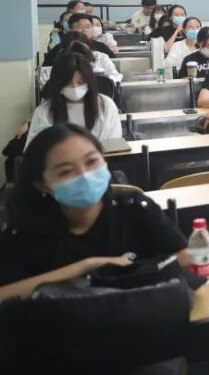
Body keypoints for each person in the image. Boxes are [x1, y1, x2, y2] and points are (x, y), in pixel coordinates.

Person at [0, 124, 188, 301]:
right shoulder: (24, 231)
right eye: (65, 172)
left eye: (91, 161)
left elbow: (185, 258)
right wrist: (87, 267)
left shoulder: (135, 208)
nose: (84, 175)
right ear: (43, 185)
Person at [26, 53, 123, 147]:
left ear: (89, 81)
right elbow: (34, 151)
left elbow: (113, 146)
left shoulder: (106, 105)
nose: (74, 87)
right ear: (58, 84)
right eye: (68, 82)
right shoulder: (44, 112)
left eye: (80, 82)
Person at [39, 33, 122, 85]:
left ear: (88, 47)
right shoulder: (58, 61)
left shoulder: (101, 57)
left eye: (82, 48)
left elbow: (116, 76)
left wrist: (100, 80)